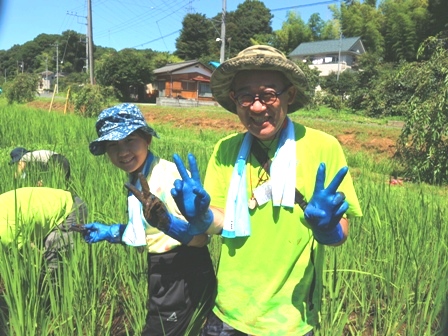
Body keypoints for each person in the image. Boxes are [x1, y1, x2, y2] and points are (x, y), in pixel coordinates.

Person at [165, 45, 363, 335]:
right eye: (245, 95)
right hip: (229, 313)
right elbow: (222, 220)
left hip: (291, 319)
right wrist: (204, 218)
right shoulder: (225, 149)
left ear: (289, 95)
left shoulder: (323, 147)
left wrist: (326, 228)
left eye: (268, 94)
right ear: (234, 99)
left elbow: (340, 234)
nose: (257, 107)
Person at [83, 103, 216, 336]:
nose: (122, 152)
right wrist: (112, 232)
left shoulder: (167, 177)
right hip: (165, 268)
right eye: (113, 145)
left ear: (147, 139)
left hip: (182, 268)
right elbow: (151, 230)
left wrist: (173, 226)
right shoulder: (139, 176)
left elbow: (199, 239)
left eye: (130, 140)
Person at [0, 186, 88, 272]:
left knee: (51, 263)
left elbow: (34, 255)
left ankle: (56, 284)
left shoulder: (4, 231)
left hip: (69, 209)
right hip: (48, 209)